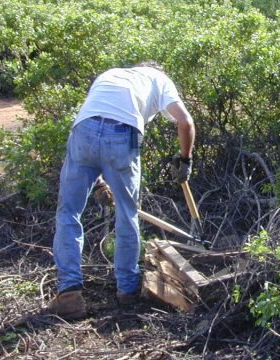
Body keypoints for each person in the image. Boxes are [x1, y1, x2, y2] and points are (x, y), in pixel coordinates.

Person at [45, 62, 195, 319]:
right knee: (127, 214)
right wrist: (185, 159)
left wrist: (99, 182)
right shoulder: (159, 79)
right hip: (125, 134)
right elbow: (185, 122)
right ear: (156, 70)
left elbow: (98, 128)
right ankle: (127, 290)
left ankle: (69, 292)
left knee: (68, 212)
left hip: (83, 129)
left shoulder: (110, 75)